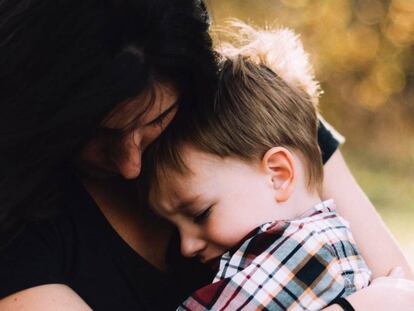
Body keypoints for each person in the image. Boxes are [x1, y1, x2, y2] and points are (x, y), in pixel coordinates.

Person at [0, 1, 413, 310]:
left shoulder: (250, 119)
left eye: (156, 120)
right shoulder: (20, 231)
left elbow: (402, 292)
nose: (131, 165)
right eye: (98, 133)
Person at [147, 25, 371, 310]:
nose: (186, 247)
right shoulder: (323, 242)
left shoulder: (302, 252)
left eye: (201, 214)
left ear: (278, 174)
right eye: (174, 227)